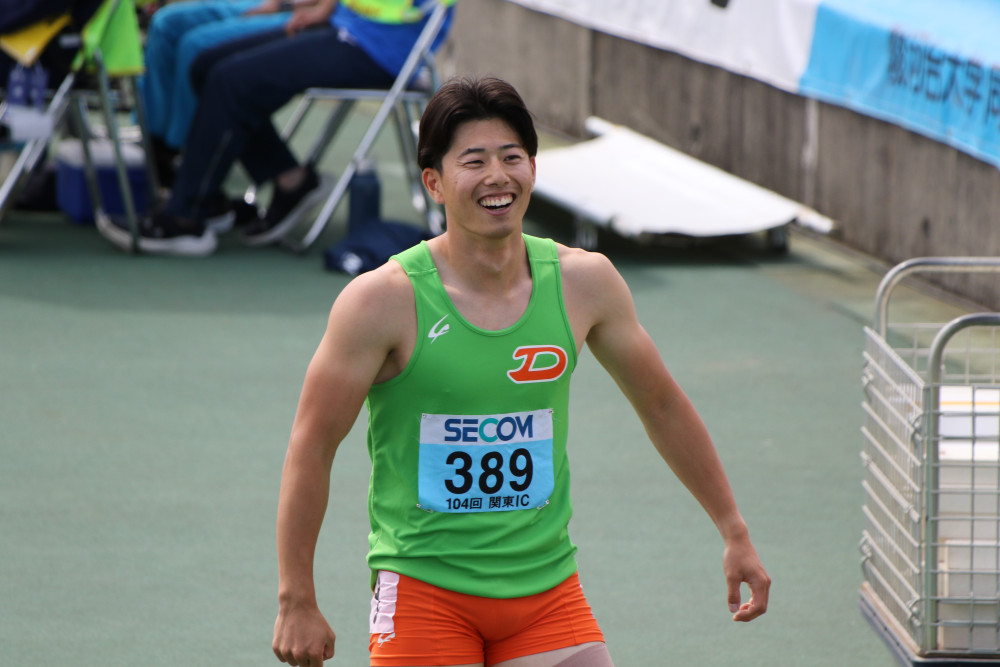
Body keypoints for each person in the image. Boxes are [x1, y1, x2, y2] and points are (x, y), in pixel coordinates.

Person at [270, 76, 771, 667]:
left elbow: (661, 405)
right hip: (425, 591)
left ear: (533, 168)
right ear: (434, 182)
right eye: (473, 161)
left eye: (512, 158)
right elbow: (312, 444)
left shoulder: (584, 283)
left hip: (547, 591)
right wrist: (296, 598)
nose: (497, 177)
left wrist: (734, 529)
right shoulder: (381, 301)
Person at [96, 0, 454, 256]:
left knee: (229, 80)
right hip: (347, 24)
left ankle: (185, 217)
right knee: (205, 65)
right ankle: (288, 181)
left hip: (381, 48)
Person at [140, 0, 292, 182]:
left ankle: (190, 161)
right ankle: (157, 147)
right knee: (165, 22)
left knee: (195, 47)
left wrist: (285, 5)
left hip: (300, 9)